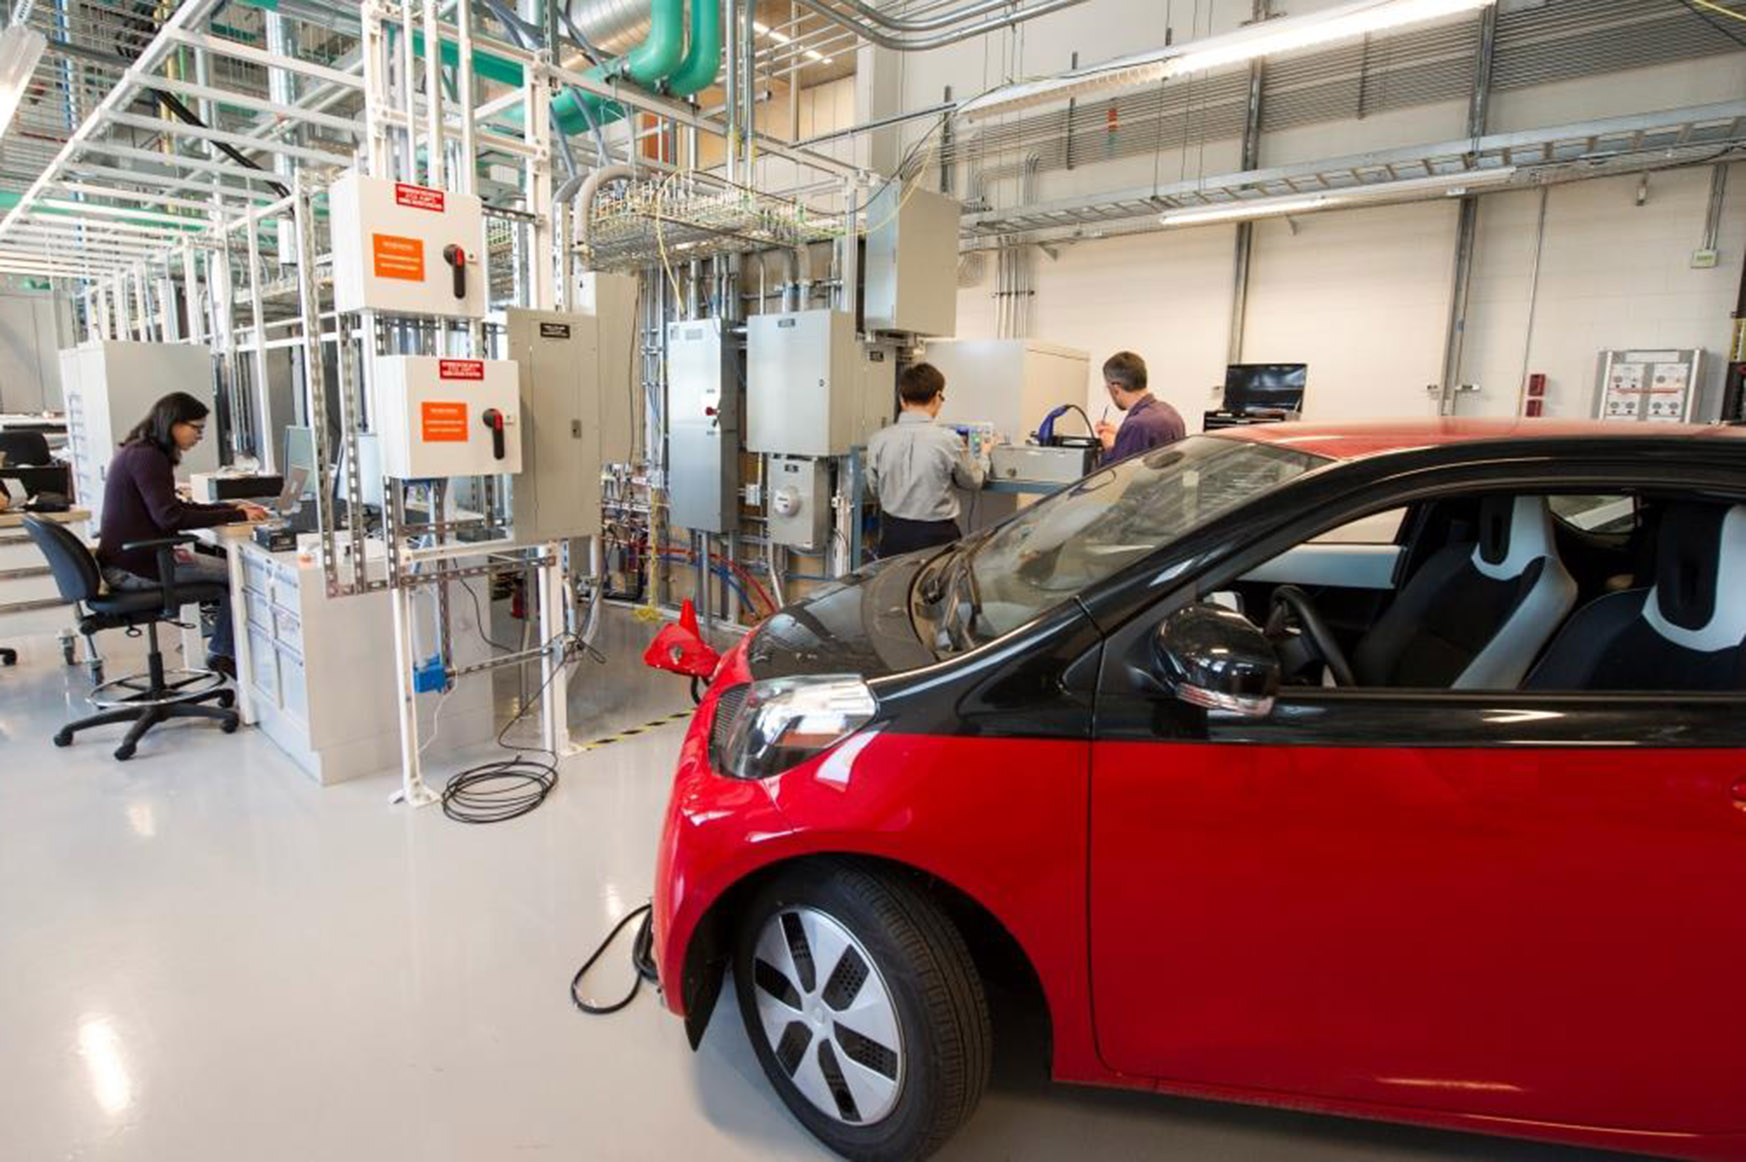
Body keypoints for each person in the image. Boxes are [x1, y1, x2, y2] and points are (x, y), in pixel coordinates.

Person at [96, 392, 268, 679]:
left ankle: (222, 650)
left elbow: (172, 508)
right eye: (196, 428)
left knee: (233, 571)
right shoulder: (149, 458)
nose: (200, 436)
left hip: (131, 559)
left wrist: (227, 507)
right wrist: (237, 515)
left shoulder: (140, 451)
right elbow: (170, 517)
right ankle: (223, 653)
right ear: (173, 423)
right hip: (136, 568)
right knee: (240, 573)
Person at [865, 363, 988, 558]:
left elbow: (874, 488)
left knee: (895, 586)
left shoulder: (878, 439)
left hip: (892, 534)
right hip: (935, 537)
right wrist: (984, 456)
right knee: (936, 586)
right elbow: (974, 481)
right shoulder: (948, 440)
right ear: (938, 397)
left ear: (901, 399)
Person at [1094, 351, 1186, 465]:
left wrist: (1110, 446)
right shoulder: (1169, 411)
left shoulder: (1136, 425)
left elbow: (1119, 475)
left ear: (1115, 388)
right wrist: (1121, 436)